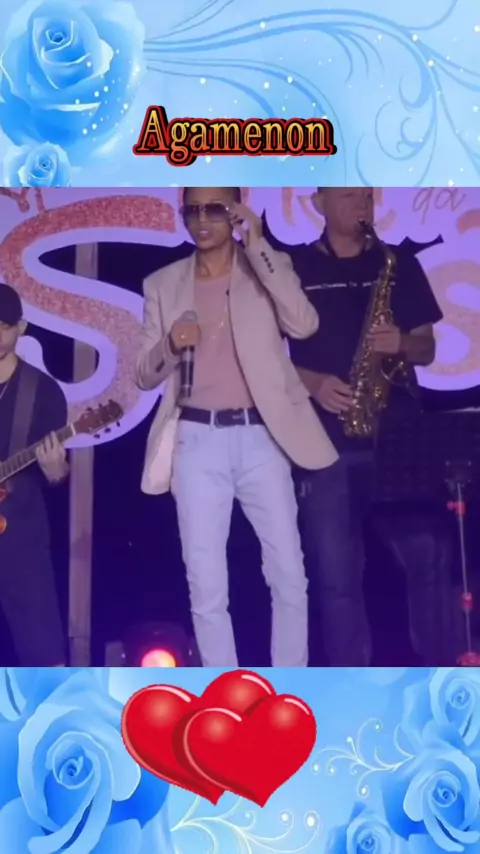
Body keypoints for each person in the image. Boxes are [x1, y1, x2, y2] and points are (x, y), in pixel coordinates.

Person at [135, 186, 338, 667]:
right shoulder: (162, 284)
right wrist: (170, 343)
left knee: (288, 574)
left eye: (215, 209)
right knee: (205, 583)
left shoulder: (266, 268)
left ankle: (290, 684)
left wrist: (259, 245)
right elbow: (144, 374)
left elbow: (304, 324)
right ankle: (223, 687)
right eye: (192, 211)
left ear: (235, 213)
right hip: (196, 440)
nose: (202, 220)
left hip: (260, 436)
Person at [287, 187, 444, 666]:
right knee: (336, 581)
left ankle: (441, 673)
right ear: (318, 203)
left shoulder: (397, 264)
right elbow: (263, 356)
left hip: (397, 440)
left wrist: (402, 343)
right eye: (349, 196)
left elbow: (427, 348)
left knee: (429, 561)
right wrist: (312, 383)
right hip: (324, 441)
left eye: (367, 196)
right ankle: (349, 681)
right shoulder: (294, 268)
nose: (361, 205)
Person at [0, 282, 69, 665]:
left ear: (21, 328)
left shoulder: (41, 391)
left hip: (20, 534)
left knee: (43, 651)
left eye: (4, 327)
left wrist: (56, 470)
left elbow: (56, 477)